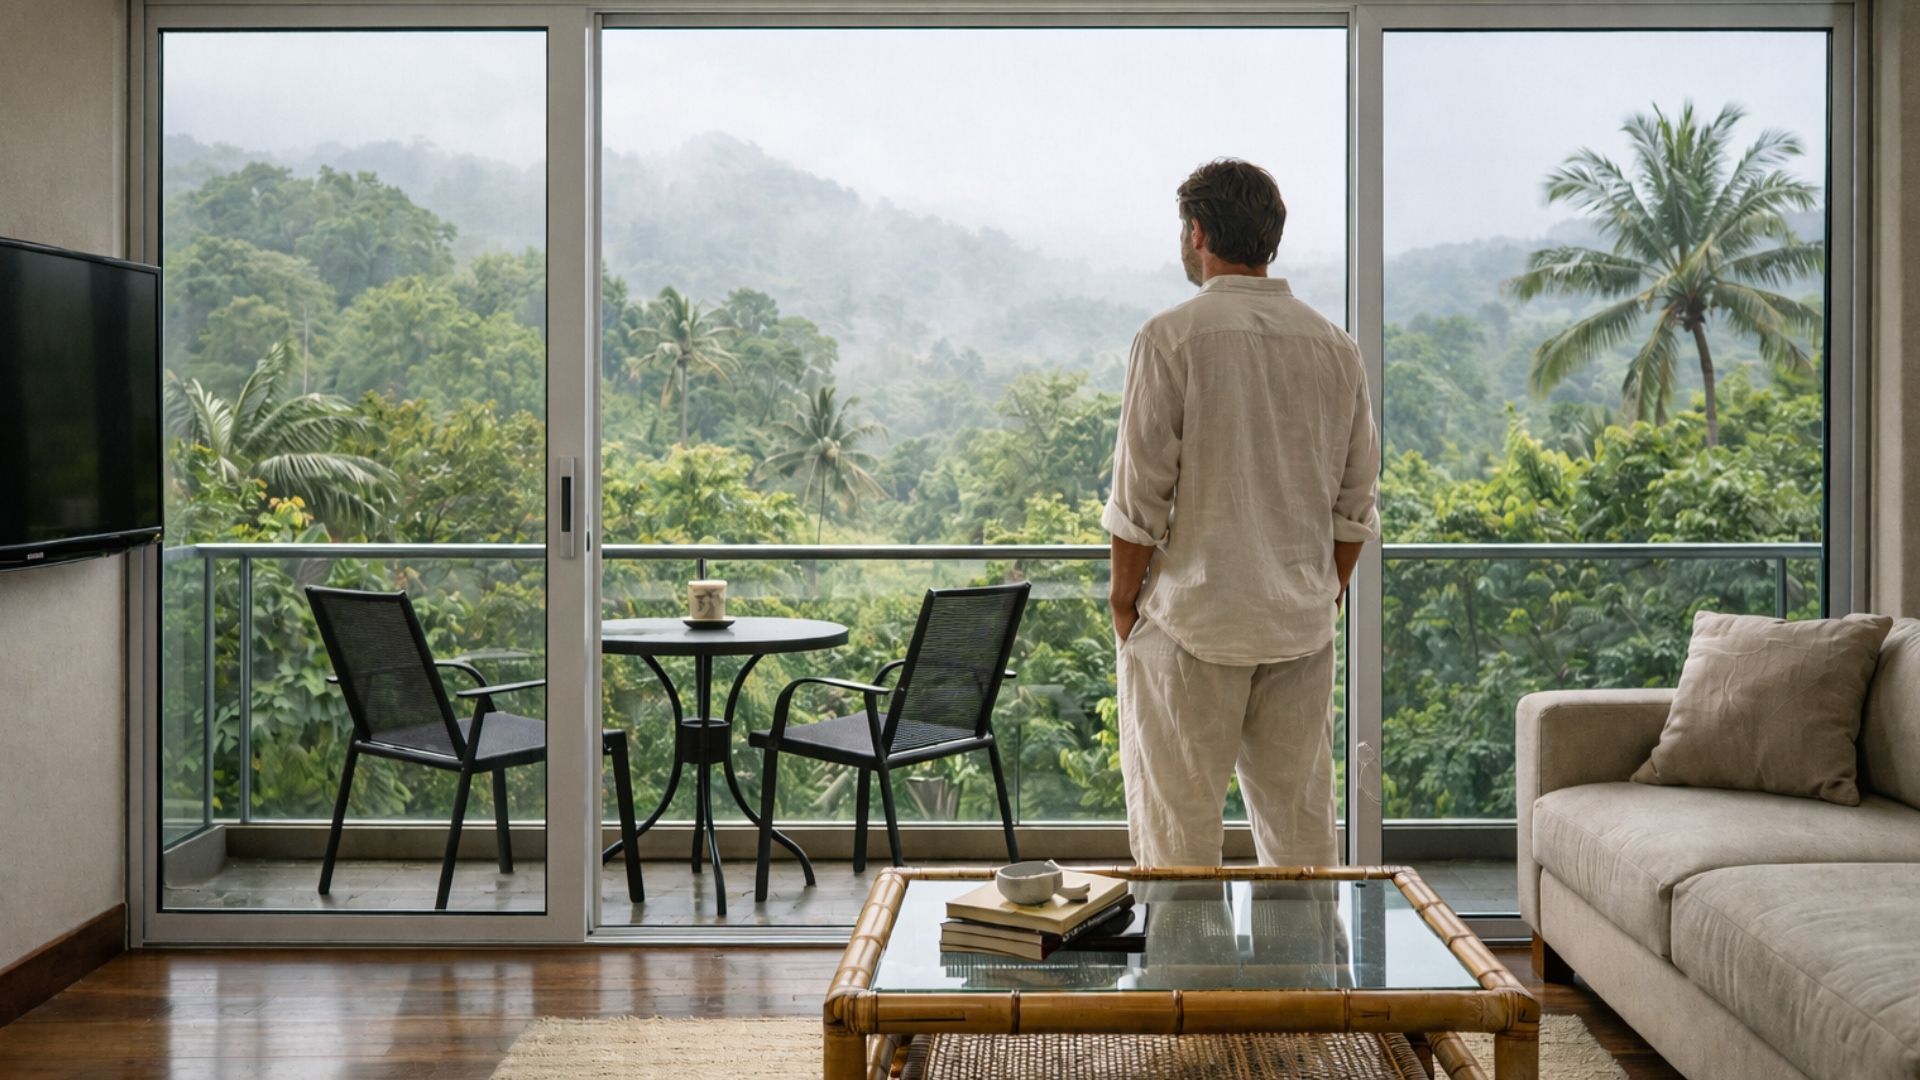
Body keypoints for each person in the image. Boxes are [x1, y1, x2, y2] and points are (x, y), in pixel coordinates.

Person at [1103, 158, 1379, 869]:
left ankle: (1191, 982)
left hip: (1192, 625)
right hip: (1299, 627)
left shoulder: (1170, 337)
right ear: (1271, 239)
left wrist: (1123, 609)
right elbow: (1355, 507)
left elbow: (1138, 503)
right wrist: (1324, 592)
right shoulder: (1335, 347)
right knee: (1304, 847)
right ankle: (1311, 982)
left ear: (1197, 232)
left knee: (1178, 847)